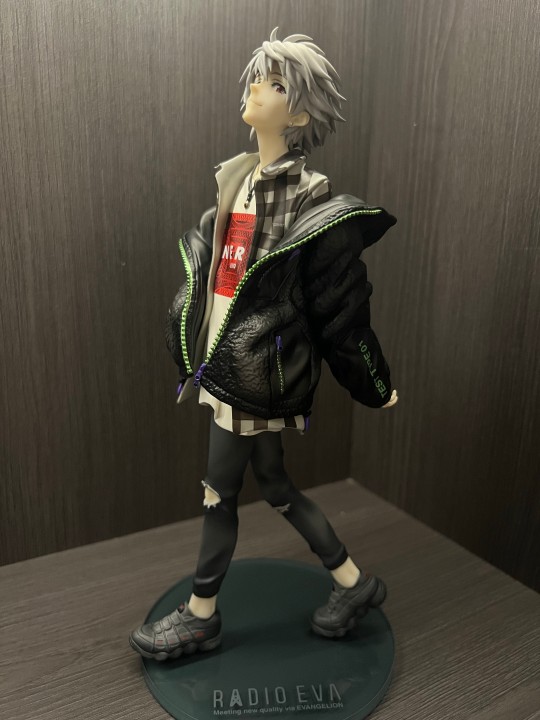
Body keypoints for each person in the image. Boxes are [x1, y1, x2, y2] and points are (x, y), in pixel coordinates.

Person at [129, 27, 398, 662]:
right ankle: (354, 582)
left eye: (274, 84)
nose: (256, 88)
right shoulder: (237, 179)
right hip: (228, 363)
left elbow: (338, 302)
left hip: (253, 375)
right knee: (275, 485)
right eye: (258, 77)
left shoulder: (307, 196)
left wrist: (374, 382)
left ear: (298, 114)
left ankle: (201, 617)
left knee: (219, 493)